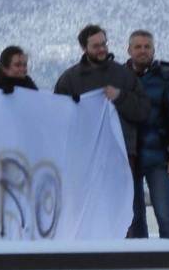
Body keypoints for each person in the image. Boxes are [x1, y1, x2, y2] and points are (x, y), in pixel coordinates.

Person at [53, 24, 149, 170]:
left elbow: (143, 111)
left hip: (120, 153)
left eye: (104, 44)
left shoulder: (124, 75)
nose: (102, 49)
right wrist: (73, 107)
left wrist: (120, 96)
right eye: (96, 46)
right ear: (84, 48)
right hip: (84, 156)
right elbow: (58, 118)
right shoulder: (69, 80)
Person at [125, 30, 169, 239]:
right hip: (128, 158)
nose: (143, 51)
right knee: (132, 215)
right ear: (129, 50)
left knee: (164, 212)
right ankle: (137, 263)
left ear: (153, 50)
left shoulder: (167, 79)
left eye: (147, 47)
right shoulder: (119, 77)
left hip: (158, 157)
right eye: (138, 47)